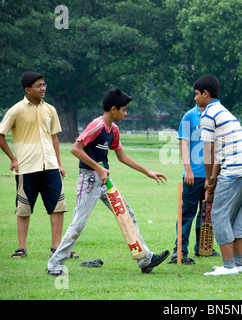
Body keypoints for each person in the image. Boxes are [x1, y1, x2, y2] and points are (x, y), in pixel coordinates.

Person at [47, 88, 168, 275]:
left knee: (128, 215)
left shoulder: (114, 130)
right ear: (113, 109)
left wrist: (147, 172)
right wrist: (99, 168)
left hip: (104, 180)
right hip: (89, 179)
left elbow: (122, 156)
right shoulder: (97, 125)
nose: (126, 113)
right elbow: (76, 149)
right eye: (124, 110)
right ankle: (54, 265)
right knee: (78, 225)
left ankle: (145, 260)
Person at [0, 71, 76, 259]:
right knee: (23, 208)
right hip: (27, 167)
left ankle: (56, 248)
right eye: (39, 85)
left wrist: (59, 164)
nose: (43, 88)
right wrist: (13, 159)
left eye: (44, 84)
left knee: (58, 206)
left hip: (51, 166)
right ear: (27, 89)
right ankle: (21, 248)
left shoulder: (50, 109)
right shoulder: (16, 110)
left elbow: (54, 137)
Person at [195, 75, 242, 276]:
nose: (195, 99)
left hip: (235, 169)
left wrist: (208, 182)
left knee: (218, 215)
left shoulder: (207, 115)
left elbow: (209, 153)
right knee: (237, 214)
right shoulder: (224, 112)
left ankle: (228, 266)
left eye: (196, 95)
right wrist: (212, 183)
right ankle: (238, 264)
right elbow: (218, 156)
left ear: (206, 94)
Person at [167, 104, 219, 264]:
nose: (195, 97)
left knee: (206, 212)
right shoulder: (190, 116)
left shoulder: (216, 116)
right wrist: (187, 169)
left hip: (210, 175)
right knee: (187, 213)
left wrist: (214, 176)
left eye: (197, 94)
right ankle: (180, 251)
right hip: (193, 176)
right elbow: (184, 143)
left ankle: (203, 248)